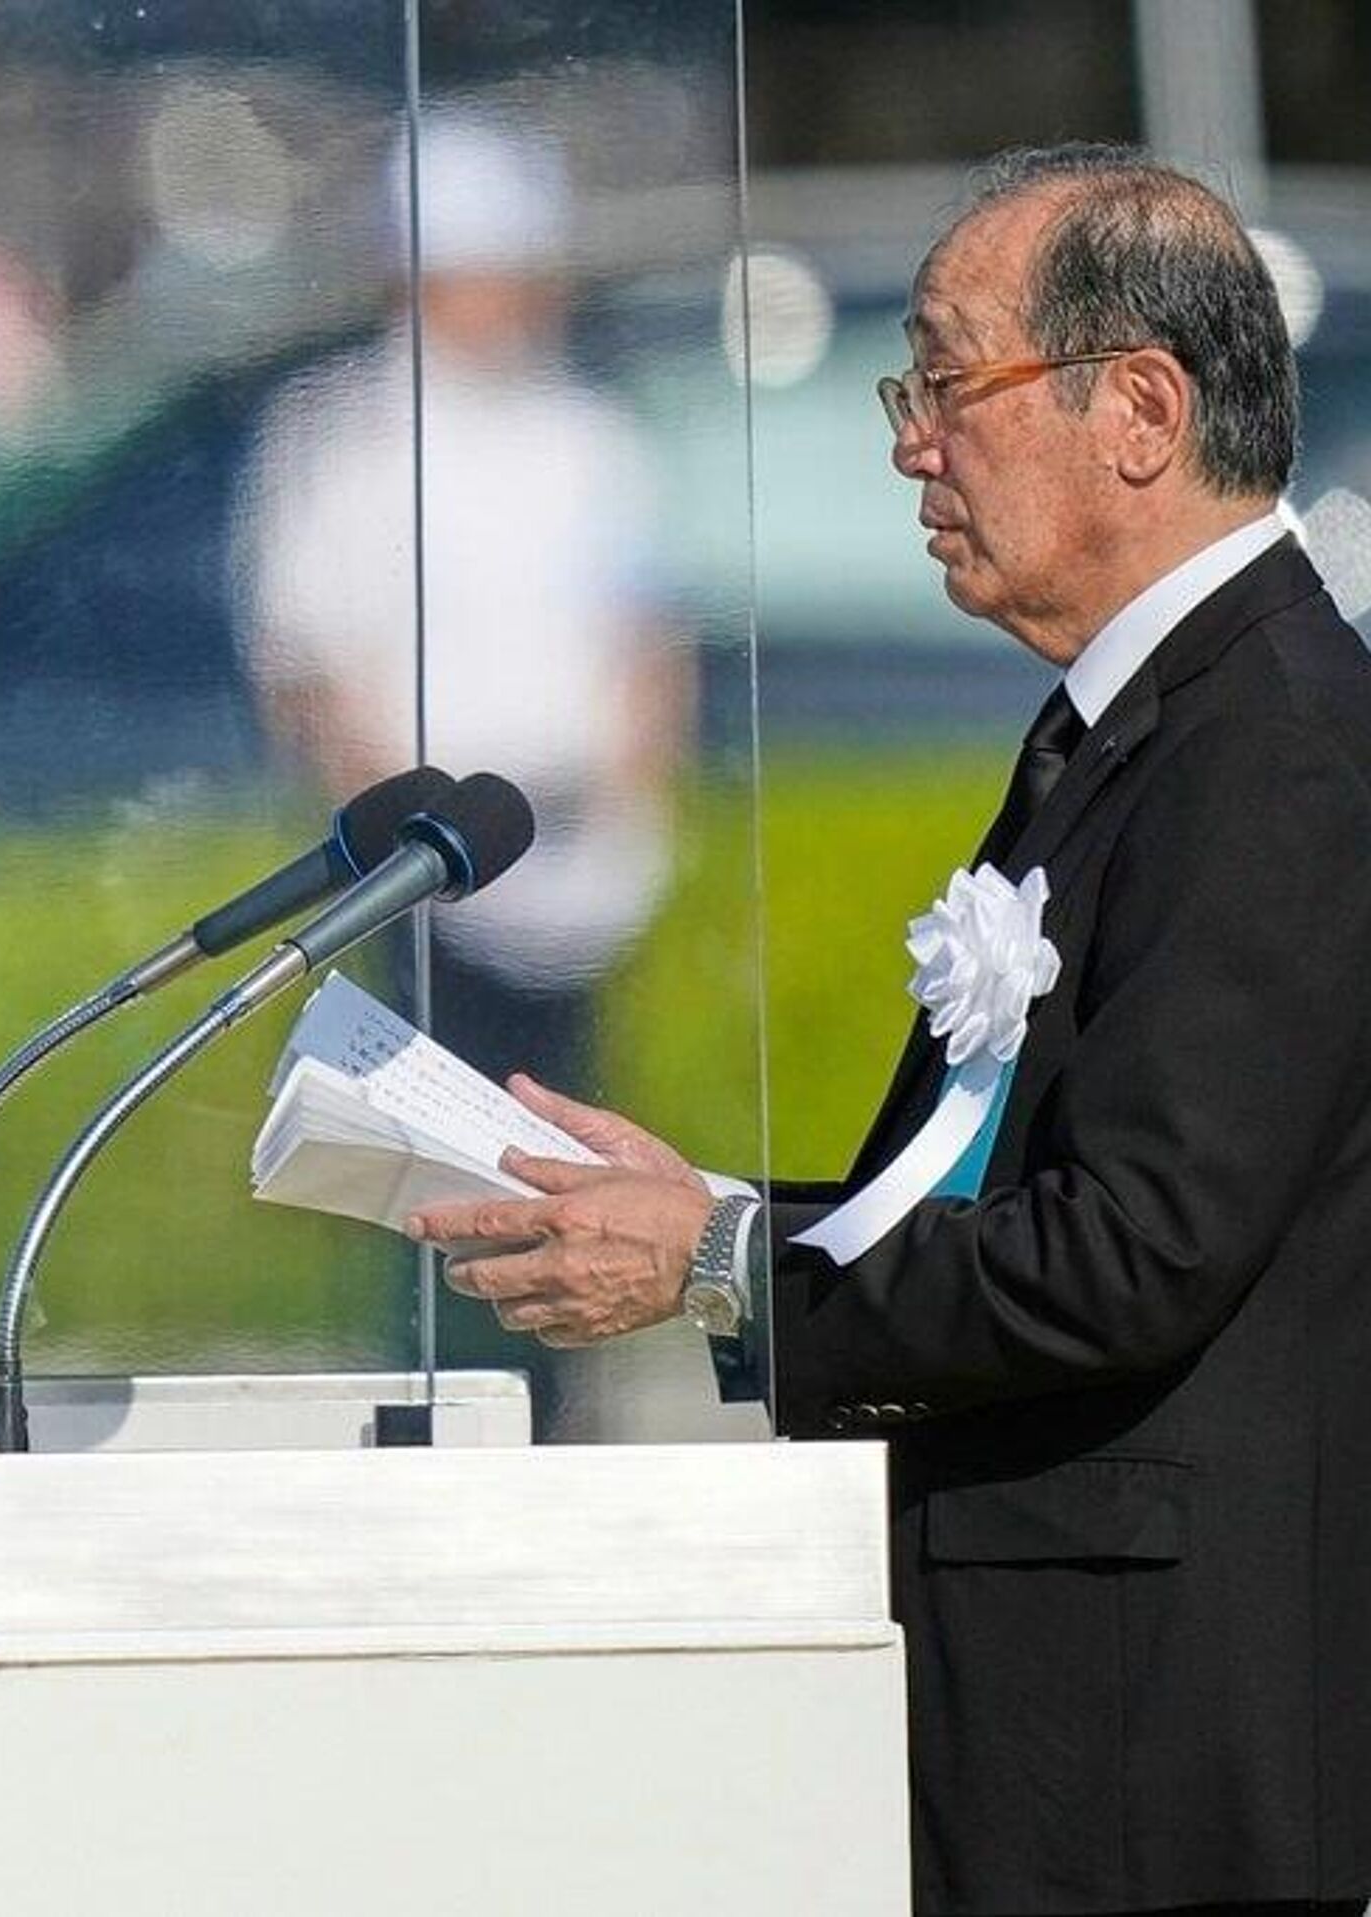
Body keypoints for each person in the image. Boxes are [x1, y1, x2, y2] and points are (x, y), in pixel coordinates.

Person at [407, 143, 1371, 1917]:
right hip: (1065, 1716)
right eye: (905, 392)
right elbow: (1012, 1195)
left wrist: (721, 1264)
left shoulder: (1277, 750)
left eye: (945, 382)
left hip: (1175, 1751)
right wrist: (712, 1212)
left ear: (1142, 408)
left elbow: (1130, 1252)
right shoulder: (1140, 725)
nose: (913, 445)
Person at [238, 112, 691, 1431]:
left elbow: (647, 641)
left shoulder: (586, 433)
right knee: (434, 1198)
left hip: (578, 874)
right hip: (428, 888)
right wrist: (412, 841)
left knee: (568, 1173)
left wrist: (628, 799)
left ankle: (557, 1416)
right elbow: (311, 670)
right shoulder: (338, 436)